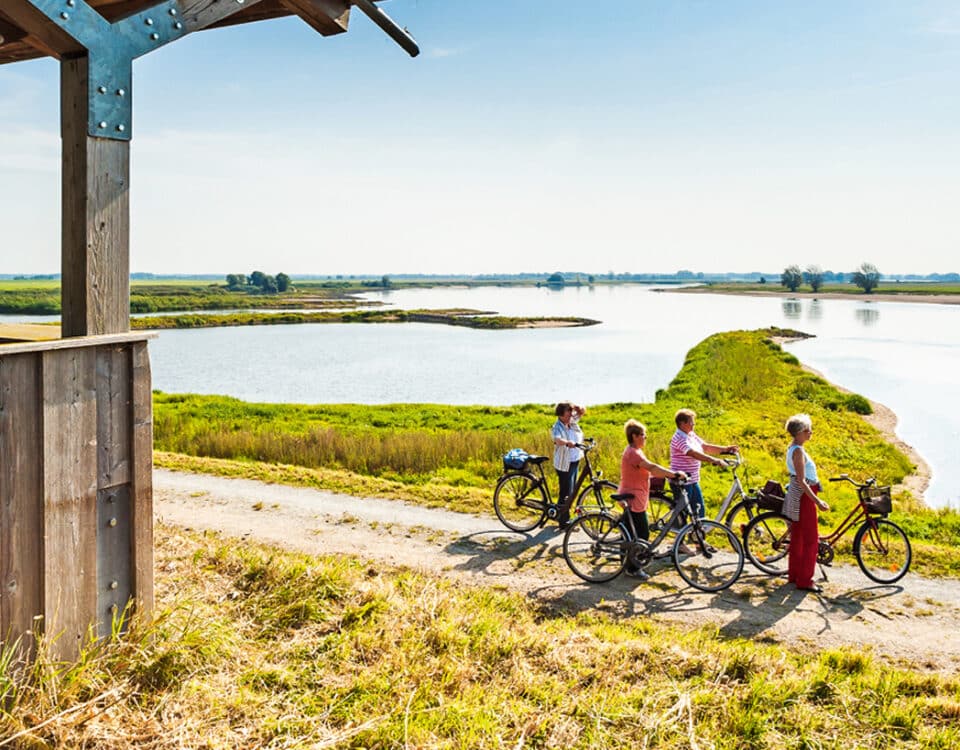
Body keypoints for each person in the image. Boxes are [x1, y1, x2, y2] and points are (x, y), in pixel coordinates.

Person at [618, 419, 686, 579]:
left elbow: (649, 470)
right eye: (643, 435)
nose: (645, 438)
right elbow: (652, 467)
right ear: (634, 436)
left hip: (636, 495)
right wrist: (673, 473)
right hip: (633, 497)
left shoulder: (636, 450)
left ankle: (627, 564)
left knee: (628, 532)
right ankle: (632, 568)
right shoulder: (633, 453)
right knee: (642, 534)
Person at [784, 413, 830, 593]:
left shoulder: (794, 448)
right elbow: (803, 481)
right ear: (800, 432)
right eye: (807, 430)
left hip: (800, 495)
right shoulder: (798, 451)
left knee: (798, 537)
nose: (810, 432)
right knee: (811, 540)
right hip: (805, 496)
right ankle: (805, 580)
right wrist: (817, 501)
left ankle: (795, 575)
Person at [669, 408, 738, 522]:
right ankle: (677, 536)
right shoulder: (678, 438)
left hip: (693, 480)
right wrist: (714, 461)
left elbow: (705, 447)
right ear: (682, 423)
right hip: (681, 481)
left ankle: (697, 536)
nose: (694, 424)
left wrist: (726, 449)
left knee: (699, 512)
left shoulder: (690, 435)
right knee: (683, 515)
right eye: (691, 422)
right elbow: (694, 454)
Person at [551, 401, 585, 529]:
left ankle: (563, 517)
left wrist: (575, 406)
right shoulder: (557, 427)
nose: (571, 414)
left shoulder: (571, 421)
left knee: (571, 491)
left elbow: (582, 411)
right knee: (566, 493)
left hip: (575, 461)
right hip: (565, 464)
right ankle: (563, 522)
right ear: (561, 414)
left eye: (571, 411)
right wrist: (567, 442)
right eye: (568, 411)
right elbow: (557, 439)